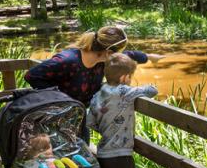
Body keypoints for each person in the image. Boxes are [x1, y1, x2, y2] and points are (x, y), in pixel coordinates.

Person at [24, 26, 163, 141]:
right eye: (116, 53)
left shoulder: (104, 61)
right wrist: (60, 99)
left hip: (79, 120)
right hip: (54, 123)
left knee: (83, 161)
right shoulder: (67, 60)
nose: (118, 57)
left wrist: (150, 57)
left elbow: (130, 55)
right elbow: (32, 75)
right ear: (108, 52)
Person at [86, 53, 158, 168]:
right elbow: (151, 91)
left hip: (103, 154)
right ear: (125, 78)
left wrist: (106, 128)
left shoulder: (98, 94)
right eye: (130, 77)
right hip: (121, 156)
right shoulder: (125, 92)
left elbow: (90, 122)